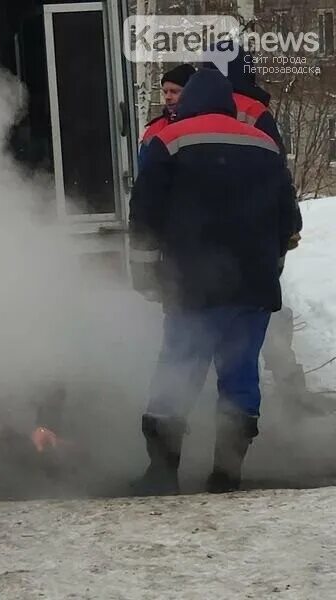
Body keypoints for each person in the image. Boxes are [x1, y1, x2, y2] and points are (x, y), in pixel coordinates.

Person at [128, 69, 300, 495]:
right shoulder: (263, 144)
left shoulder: (169, 140)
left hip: (193, 285)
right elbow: (290, 224)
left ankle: (163, 473)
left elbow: (145, 213)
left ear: (188, 103)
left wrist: (145, 273)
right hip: (253, 289)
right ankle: (227, 473)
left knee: (179, 370)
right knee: (240, 374)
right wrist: (268, 263)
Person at [205, 49, 314, 416]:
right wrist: (287, 222)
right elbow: (277, 172)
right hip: (258, 230)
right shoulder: (258, 112)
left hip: (207, 232)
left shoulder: (198, 110)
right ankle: (286, 386)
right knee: (263, 307)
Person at [137, 64, 196, 169]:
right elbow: (144, 170)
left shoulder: (203, 124)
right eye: (165, 92)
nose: (168, 97)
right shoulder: (154, 129)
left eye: (174, 92)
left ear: (190, 93)